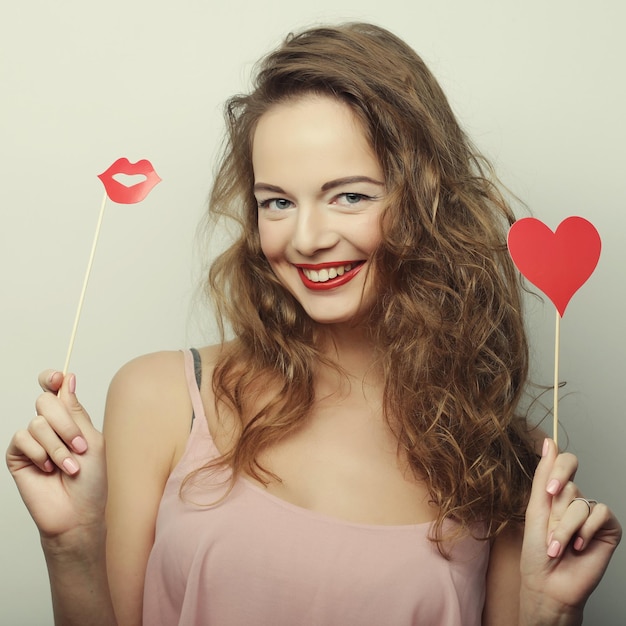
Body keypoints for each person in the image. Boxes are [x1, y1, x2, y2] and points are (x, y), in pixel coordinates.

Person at [6, 22, 621, 626]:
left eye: (349, 196)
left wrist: (553, 614)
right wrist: (72, 545)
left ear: (425, 201)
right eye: (277, 201)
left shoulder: (500, 459)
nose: (305, 239)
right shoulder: (160, 397)